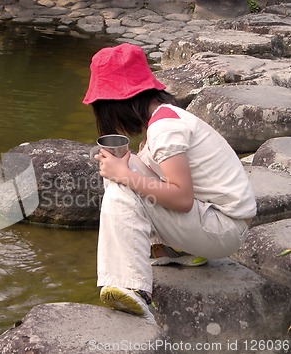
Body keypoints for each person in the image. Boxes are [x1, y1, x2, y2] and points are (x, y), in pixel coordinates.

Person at [82, 43, 257, 322]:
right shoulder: (164, 118)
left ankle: (133, 286)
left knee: (120, 185)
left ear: (117, 104)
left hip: (224, 228)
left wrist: (123, 175)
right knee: (120, 169)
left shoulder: (165, 129)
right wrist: (119, 167)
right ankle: (179, 248)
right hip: (216, 220)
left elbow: (182, 198)